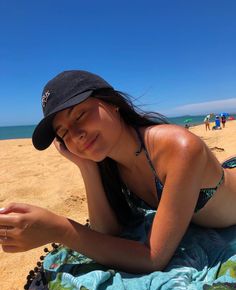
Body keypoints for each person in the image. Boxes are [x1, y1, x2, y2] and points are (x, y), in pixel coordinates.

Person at [0, 70, 236, 274]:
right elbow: (108, 232)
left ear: (112, 103)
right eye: (63, 133)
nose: (76, 134)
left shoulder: (178, 147)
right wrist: (87, 167)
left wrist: (58, 229)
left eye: (80, 115)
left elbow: (153, 257)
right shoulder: (112, 163)